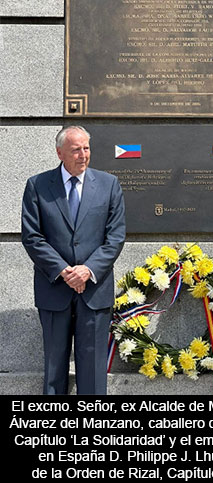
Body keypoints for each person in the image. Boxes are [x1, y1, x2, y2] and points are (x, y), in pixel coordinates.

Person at [21, 125, 125, 394]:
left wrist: (87, 270)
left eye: (86, 148)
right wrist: (65, 271)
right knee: (54, 369)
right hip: (54, 289)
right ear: (60, 153)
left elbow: (115, 237)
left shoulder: (108, 184)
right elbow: (32, 236)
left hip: (94, 290)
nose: (83, 155)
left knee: (92, 372)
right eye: (75, 149)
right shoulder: (38, 185)